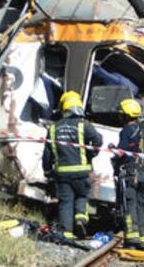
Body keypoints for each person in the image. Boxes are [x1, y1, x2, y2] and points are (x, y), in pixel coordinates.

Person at [42, 91, 102, 239]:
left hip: (62, 173)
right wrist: (90, 154)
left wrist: (48, 171)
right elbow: (98, 141)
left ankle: (66, 233)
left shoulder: (53, 128)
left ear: (64, 108)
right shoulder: (84, 125)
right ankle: (80, 219)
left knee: (65, 202)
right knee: (81, 196)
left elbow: (47, 152)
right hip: (82, 172)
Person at [112, 98, 144, 247]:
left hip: (129, 174)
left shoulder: (126, 131)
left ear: (126, 115)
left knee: (130, 205)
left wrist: (113, 150)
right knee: (142, 205)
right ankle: (143, 238)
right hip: (142, 173)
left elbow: (121, 152)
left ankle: (132, 238)